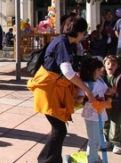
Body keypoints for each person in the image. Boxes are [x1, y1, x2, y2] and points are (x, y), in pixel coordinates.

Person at [27, 15, 96, 163]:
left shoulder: (64, 42)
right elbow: (67, 72)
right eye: (84, 33)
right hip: (48, 90)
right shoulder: (63, 43)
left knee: (59, 128)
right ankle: (45, 160)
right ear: (79, 32)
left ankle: (53, 160)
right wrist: (86, 90)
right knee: (59, 129)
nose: (83, 36)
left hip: (51, 88)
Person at [76, 57, 115, 162]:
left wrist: (110, 92)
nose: (101, 72)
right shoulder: (86, 85)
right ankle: (92, 159)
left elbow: (105, 91)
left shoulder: (100, 81)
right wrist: (84, 97)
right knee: (94, 140)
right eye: (98, 70)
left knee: (100, 139)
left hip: (101, 113)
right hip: (91, 116)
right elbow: (79, 99)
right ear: (90, 71)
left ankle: (94, 156)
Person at [102, 55, 121, 155]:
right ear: (104, 65)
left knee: (115, 124)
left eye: (113, 64)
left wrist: (114, 93)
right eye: (108, 63)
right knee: (105, 122)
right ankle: (107, 141)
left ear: (117, 66)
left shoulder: (118, 77)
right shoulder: (101, 76)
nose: (110, 66)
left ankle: (117, 143)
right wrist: (106, 92)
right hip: (104, 104)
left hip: (116, 104)